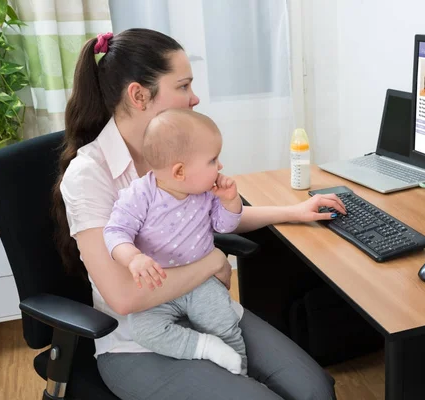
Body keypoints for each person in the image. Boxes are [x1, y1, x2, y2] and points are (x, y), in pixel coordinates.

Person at [53, 28, 345, 400]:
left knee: (315, 391)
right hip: (139, 341)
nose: (195, 98)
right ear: (139, 95)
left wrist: (294, 211)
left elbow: (210, 215)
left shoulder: (179, 150)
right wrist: (211, 262)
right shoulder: (90, 174)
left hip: (208, 307)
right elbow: (124, 297)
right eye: (184, 86)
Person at [103, 109, 248, 376]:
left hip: (201, 282)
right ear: (180, 171)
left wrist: (229, 201)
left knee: (224, 325)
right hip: (159, 288)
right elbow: (115, 232)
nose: (220, 167)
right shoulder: (139, 195)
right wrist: (133, 258)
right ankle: (204, 347)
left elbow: (224, 226)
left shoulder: (206, 192)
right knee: (144, 329)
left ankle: (241, 376)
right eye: (213, 160)